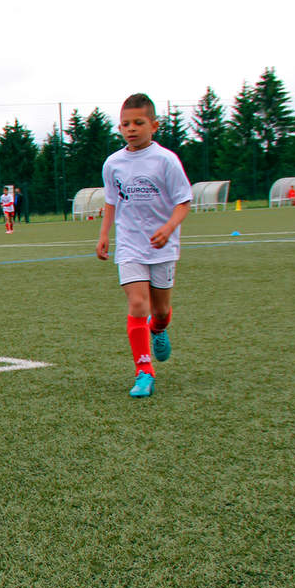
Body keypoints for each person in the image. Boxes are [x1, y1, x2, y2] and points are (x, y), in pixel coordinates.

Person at [96, 93, 192, 398]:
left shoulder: (166, 160)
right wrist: (103, 235)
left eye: (138, 122)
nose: (131, 128)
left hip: (162, 246)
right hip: (129, 245)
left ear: (154, 125)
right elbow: (111, 202)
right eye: (125, 123)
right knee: (138, 304)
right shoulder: (113, 163)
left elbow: (183, 202)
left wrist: (168, 227)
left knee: (160, 311)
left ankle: (159, 329)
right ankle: (143, 371)